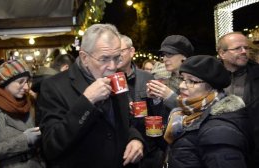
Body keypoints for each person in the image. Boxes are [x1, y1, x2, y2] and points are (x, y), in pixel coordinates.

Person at [36, 24, 144, 168]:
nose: (112, 66)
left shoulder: (118, 79)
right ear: (84, 57)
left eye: (117, 58)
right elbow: (51, 145)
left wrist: (135, 138)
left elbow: (125, 122)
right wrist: (87, 101)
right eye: (104, 59)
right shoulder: (53, 86)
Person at [163, 55, 254, 168]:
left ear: (212, 87)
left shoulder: (219, 131)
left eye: (191, 81)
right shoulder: (189, 113)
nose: (182, 86)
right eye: (182, 79)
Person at [0, 59, 45, 168]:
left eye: (27, 81)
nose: (26, 87)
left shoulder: (30, 102)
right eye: (20, 82)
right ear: (5, 82)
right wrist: (24, 140)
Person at [117, 34, 166, 168]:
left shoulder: (147, 77)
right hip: (122, 150)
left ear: (132, 51)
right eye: (114, 52)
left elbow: (159, 113)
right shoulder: (107, 79)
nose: (117, 56)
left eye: (121, 51)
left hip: (149, 149)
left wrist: (156, 100)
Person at [217, 31, 259, 166]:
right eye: (237, 48)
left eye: (246, 48)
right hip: (220, 147)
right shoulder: (209, 77)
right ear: (222, 53)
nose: (243, 51)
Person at [147, 35, 194, 110]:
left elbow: (196, 111)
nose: (165, 59)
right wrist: (156, 98)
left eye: (169, 54)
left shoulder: (197, 81)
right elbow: (162, 115)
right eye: (164, 55)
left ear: (184, 56)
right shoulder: (165, 80)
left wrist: (170, 96)